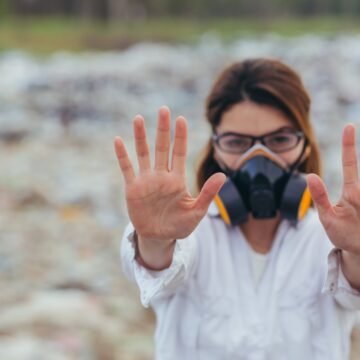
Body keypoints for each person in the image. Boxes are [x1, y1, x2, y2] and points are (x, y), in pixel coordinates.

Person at [114, 58, 360, 360]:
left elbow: (352, 284)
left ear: (305, 144)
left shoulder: (332, 237)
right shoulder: (189, 234)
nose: (258, 157)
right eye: (237, 142)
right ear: (215, 147)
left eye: (280, 139)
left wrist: (358, 251)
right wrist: (153, 238)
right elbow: (157, 266)